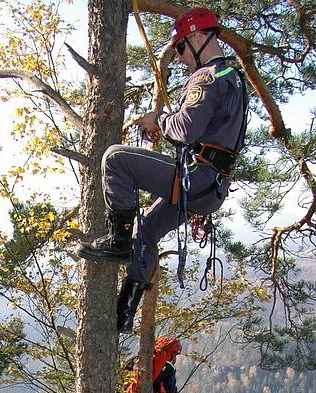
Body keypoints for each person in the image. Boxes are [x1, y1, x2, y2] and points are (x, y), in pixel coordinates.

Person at [77, 7, 247, 333]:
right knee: (148, 232)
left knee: (115, 158)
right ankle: (124, 312)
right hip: (209, 188)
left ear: (198, 37)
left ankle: (117, 241)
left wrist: (158, 121)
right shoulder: (232, 77)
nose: (181, 58)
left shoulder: (207, 77)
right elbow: (203, 132)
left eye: (181, 48)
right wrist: (168, 126)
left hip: (195, 179)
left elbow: (184, 129)